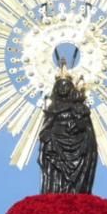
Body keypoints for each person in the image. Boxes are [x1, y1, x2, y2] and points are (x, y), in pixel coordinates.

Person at [38, 65, 97, 194]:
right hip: (57, 145)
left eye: (66, 85)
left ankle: (76, 192)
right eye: (60, 85)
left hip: (78, 145)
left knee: (77, 181)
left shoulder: (79, 106)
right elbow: (45, 129)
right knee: (56, 175)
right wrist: (47, 137)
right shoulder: (52, 108)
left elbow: (87, 128)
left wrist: (79, 125)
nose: (63, 88)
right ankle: (55, 193)